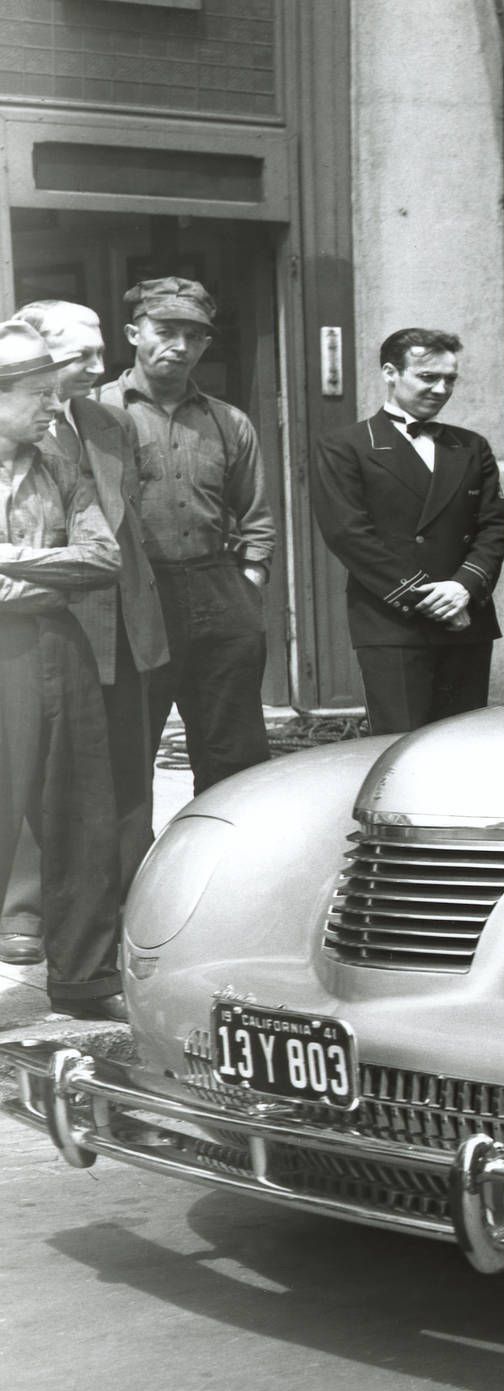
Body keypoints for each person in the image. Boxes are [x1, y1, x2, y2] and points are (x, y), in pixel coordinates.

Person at [0, 300, 174, 958]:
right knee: (14, 788)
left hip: (91, 630)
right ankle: (21, 913)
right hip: (22, 638)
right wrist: (53, 569)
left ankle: (100, 937)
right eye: (81, 355)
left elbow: (107, 549)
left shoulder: (89, 442)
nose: (98, 369)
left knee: (97, 788)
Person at [101, 276, 274, 794]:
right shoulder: (94, 411)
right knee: (125, 751)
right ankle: (130, 871)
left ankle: (226, 865)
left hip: (217, 589)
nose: (179, 346)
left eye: (193, 336)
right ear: (134, 332)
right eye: (165, 330)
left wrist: (251, 578)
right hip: (132, 594)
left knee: (235, 752)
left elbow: (256, 515)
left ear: (206, 344)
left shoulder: (228, 422)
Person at [0, 319, 127, 1021]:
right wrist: (52, 573)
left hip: (60, 646)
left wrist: (9, 558)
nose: (55, 407)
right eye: (40, 394)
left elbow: (103, 560)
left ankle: (84, 977)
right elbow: (71, 566)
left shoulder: (61, 466)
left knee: (82, 812)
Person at [310, 330, 504, 734]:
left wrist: (461, 589)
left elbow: (494, 525)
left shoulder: (471, 446)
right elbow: (350, 535)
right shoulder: (345, 446)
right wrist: (423, 597)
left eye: (450, 379)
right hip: (393, 621)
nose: (441, 389)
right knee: (401, 747)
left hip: (464, 616)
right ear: (390, 372)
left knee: (462, 743)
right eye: (427, 377)